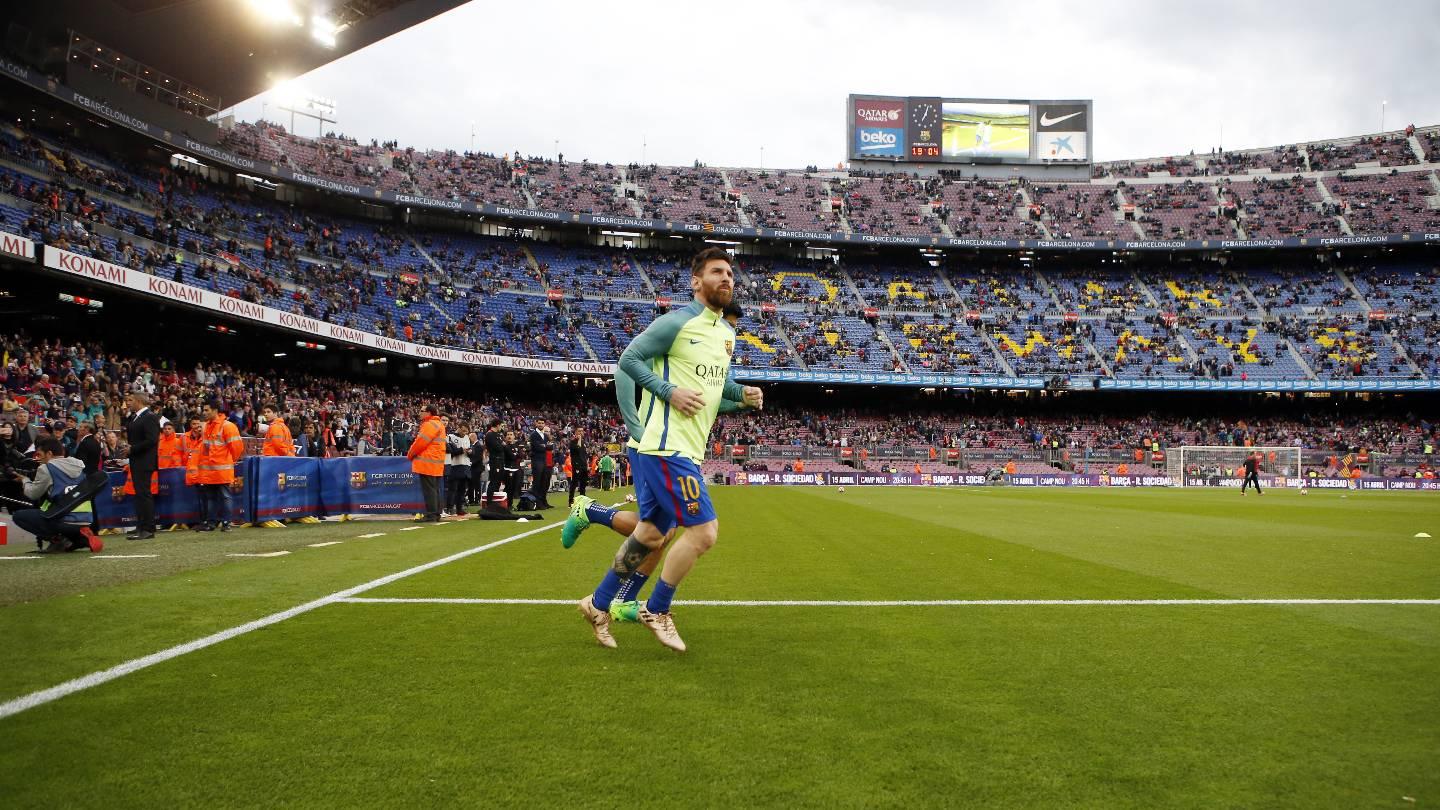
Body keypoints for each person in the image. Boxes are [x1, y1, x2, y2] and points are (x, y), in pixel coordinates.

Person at [575, 248, 761, 652]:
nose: (726, 278)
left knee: (652, 532)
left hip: (687, 449)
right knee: (704, 532)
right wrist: (667, 391)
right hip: (664, 447)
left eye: (730, 272)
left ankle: (598, 603)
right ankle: (657, 609)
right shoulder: (677, 322)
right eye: (717, 272)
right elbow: (629, 359)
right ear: (696, 281)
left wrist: (742, 395)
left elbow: (716, 388)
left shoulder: (726, 333)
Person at [12, 436, 102, 554]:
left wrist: (25, 480)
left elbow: (32, 493)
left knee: (19, 516)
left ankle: (58, 540)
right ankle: (80, 539)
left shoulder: (46, 468)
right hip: (86, 519)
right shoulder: (79, 465)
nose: (39, 458)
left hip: (64, 520)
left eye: (40, 455)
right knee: (54, 510)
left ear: (49, 453)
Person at [195, 400, 244, 531]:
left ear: (215, 410)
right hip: (209, 471)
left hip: (222, 470)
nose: (204, 413)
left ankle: (226, 523)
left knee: (225, 497)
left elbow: (237, 448)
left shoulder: (227, 426)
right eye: (203, 410)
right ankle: (211, 524)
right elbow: (205, 449)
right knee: (211, 498)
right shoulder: (206, 426)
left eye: (206, 410)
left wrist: (229, 461)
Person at [124, 391, 161, 540]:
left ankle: (148, 528)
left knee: (144, 494)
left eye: (130, 400)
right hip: (137, 460)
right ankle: (141, 526)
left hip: (144, 461)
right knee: (139, 495)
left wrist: (132, 449)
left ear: (139, 401)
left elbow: (152, 440)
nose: (128, 403)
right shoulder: (135, 417)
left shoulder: (150, 417)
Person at [406, 405, 446, 522]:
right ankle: (436, 513)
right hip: (435, 461)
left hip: (427, 462)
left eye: (421, 411)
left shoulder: (430, 424)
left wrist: (410, 454)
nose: (419, 413)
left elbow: (421, 442)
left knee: (429, 490)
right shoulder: (438, 424)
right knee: (434, 489)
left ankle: (431, 514)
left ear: (428, 413)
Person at [445, 421, 472, 517]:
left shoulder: (467, 438)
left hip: (465, 465)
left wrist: (470, 452)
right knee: (453, 488)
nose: (464, 433)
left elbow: (470, 451)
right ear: (459, 427)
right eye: (463, 431)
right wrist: (462, 450)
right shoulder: (451, 437)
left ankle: (460, 508)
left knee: (462, 489)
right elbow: (451, 451)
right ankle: (449, 508)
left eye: (466, 432)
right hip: (455, 465)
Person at [483, 419, 509, 510]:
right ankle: (489, 504)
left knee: (497, 482)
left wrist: (503, 445)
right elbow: (499, 447)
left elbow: (502, 446)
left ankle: (495, 503)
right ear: (497, 425)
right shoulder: (490, 435)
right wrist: (503, 445)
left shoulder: (497, 435)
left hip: (500, 461)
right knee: (493, 482)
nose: (502, 427)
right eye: (501, 425)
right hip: (495, 461)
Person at [528, 418, 554, 509]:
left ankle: (543, 501)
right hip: (537, 461)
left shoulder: (546, 436)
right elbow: (537, 448)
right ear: (536, 424)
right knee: (537, 483)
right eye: (539, 423)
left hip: (545, 461)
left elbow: (551, 447)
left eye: (542, 423)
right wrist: (545, 446)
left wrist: (544, 446)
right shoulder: (533, 435)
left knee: (544, 482)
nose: (541, 424)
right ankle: (537, 503)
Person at [567, 426, 588, 506]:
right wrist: (579, 439)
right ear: (575, 432)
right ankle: (571, 501)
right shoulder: (573, 442)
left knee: (583, 483)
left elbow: (584, 454)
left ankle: (583, 499)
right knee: (574, 483)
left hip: (583, 465)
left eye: (582, 431)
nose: (581, 433)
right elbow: (578, 449)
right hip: (577, 465)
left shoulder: (583, 442)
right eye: (579, 431)